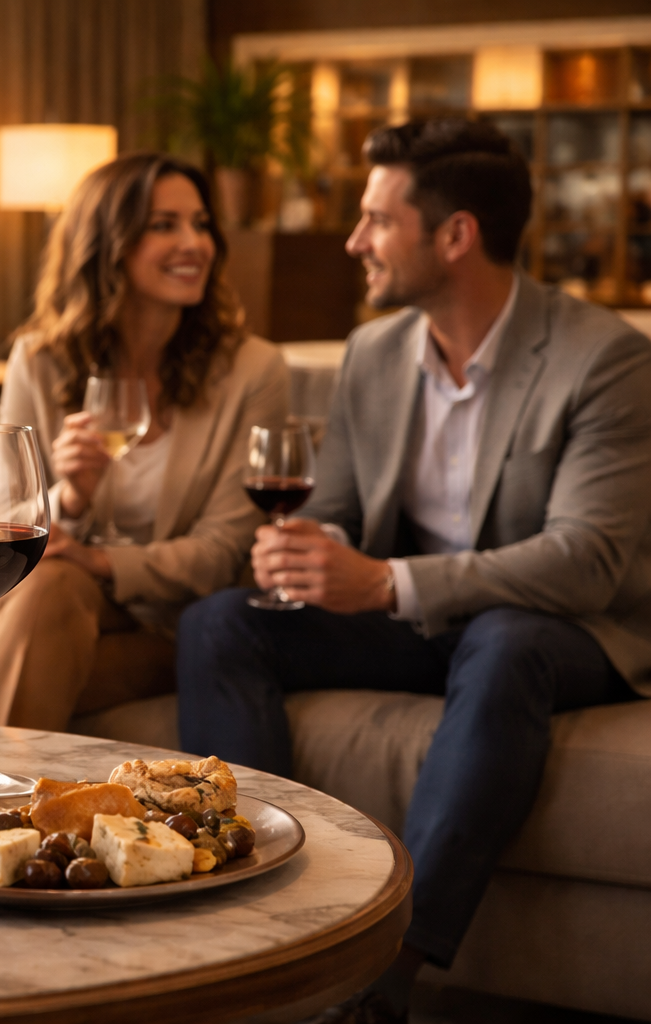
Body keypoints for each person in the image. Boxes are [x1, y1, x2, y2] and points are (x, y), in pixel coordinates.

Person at [175, 119, 651, 1024]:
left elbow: (585, 561)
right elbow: (342, 515)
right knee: (221, 621)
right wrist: (306, 549)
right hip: (417, 624)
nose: (355, 241)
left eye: (376, 220)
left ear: (455, 235)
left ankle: (384, 971)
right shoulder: (375, 353)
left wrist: (386, 584)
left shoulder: (606, 358)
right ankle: (255, 920)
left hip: (564, 631)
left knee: (506, 643)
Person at [0, 152, 288, 733]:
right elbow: (2, 536)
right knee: (42, 593)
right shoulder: (40, 359)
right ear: (107, 243)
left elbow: (222, 551)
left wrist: (99, 560)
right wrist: (72, 499)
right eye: (164, 225)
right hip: (45, 609)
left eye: (200, 223)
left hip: (170, 628)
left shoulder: (252, 369)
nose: (194, 243)